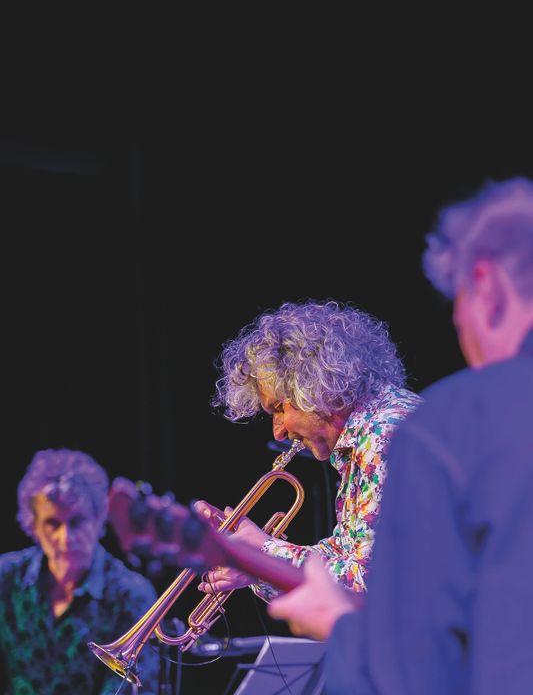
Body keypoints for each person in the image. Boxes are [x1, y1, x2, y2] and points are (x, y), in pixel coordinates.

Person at [267, 176, 533, 695]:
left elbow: (413, 669)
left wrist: (338, 628)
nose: (460, 326)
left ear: (486, 286)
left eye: (457, 303)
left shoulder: (446, 427)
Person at [196, 300, 422, 602]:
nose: (278, 432)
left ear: (317, 387)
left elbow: (373, 584)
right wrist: (254, 563)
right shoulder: (370, 433)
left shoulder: (385, 436)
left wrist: (265, 552)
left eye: (279, 408)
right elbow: (347, 558)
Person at [0, 448, 160, 695]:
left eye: (77, 521)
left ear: (99, 519)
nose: (65, 538)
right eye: (52, 523)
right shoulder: (5, 577)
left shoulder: (131, 594)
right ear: (33, 526)